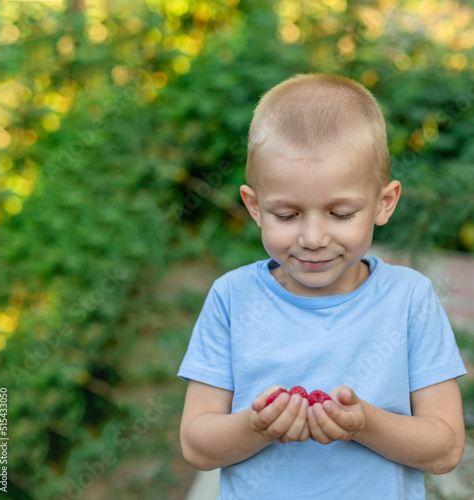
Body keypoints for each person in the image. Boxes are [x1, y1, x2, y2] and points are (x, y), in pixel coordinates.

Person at [177, 73, 466, 499]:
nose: (312, 238)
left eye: (341, 213)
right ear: (254, 207)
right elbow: (196, 445)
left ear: (384, 203)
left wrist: (365, 424)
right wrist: (256, 427)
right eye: (287, 215)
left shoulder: (409, 298)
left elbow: (444, 449)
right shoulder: (231, 299)